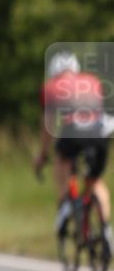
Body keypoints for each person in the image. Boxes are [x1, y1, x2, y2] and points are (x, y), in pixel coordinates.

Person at [34, 51, 113, 255]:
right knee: (96, 182)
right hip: (100, 134)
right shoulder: (92, 81)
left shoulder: (50, 87)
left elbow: (48, 126)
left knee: (62, 163)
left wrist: (42, 155)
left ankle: (65, 204)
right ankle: (106, 231)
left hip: (72, 133)